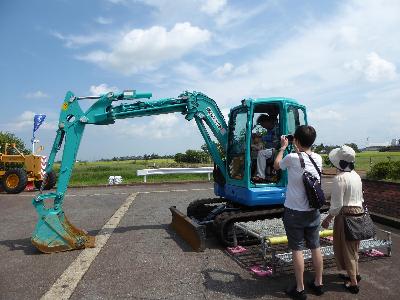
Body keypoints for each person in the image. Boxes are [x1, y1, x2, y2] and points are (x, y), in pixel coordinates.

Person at [273, 125, 324, 300]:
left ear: (296, 140)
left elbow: (277, 165)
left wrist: (282, 148)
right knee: (315, 247)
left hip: (294, 212)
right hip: (313, 211)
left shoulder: (291, 157)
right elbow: (304, 157)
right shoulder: (318, 157)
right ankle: (318, 283)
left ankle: (300, 288)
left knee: (297, 249)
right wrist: (296, 145)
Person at [321, 145, 363, 294]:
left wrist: (328, 218)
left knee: (346, 249)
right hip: (359, 212)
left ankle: (353, 283)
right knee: (354, 247)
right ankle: (355, 274)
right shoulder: (356, 175)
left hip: (346, 214)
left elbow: (336, 205)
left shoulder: (339, 178)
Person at [254, 114, 279, 180]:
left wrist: (261, 137)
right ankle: (258, 174)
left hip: (277, 150)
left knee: (261, 153)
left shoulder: (277, 129)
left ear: (266, 122)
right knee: (255, 154)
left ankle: (260, 176)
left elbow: (275, 140)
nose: (263, 127)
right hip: (270, 150)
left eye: (263, 125)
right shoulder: (269, 130)